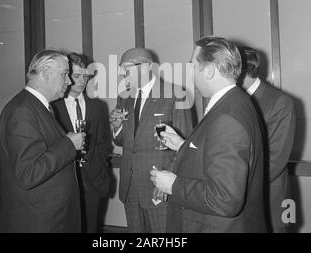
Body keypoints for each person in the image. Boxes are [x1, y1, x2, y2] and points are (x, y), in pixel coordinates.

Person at [150, 37, 267, 233]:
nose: (189, 71)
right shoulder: (237, 102)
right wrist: (182, 145)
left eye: (192, 65)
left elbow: (225, 199)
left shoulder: (227, 118)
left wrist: (174, 185)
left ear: (210, 71)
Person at [0, 50, 85, 233]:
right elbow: (29, 173)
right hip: (38, 222)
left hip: (46, 219)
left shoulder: (35, 106)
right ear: (45, 72)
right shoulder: (23, 111)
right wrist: (69, 144)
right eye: (64, 74)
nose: (69, 81)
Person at [110, 48, 193, 233]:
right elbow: (125, 142)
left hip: (158, 188)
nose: (121, 73)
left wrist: (170, 180)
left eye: (126, 68)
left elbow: (185, 146)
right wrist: (117, 127)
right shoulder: (124, 97)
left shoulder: (175, 94)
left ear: (146, 66)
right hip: (130, 188)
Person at [51, 53, 112, 233]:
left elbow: (104, 143)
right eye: (77, 76)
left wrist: (97, 167)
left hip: (93, 181)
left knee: (91, 228)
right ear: (66, 76)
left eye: (85, 76)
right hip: (64, 182)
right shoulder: (52, 107)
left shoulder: (98, 107)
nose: (82, 81)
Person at [239, 46, 296, 233]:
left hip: (271, 201)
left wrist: (233, 185)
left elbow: (276, 159)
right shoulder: (234, 100)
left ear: (241, 70)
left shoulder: (280, 102)